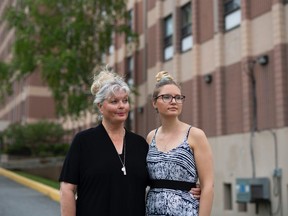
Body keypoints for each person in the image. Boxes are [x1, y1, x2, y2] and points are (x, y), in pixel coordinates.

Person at [59, 67, 201, 216]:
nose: (121, 106)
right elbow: (67, 189)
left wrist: (188, 187)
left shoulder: (139, 144)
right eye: (114, 101)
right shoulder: (83, 141)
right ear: (100, 106)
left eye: (125, 101)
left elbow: (157, 180)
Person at [146, 71, 214, 216]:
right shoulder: (151, 137)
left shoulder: (195, 135)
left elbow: (208, 186)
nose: (173, 101)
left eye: (178, 97)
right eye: (166, 97)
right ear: (154, 103)